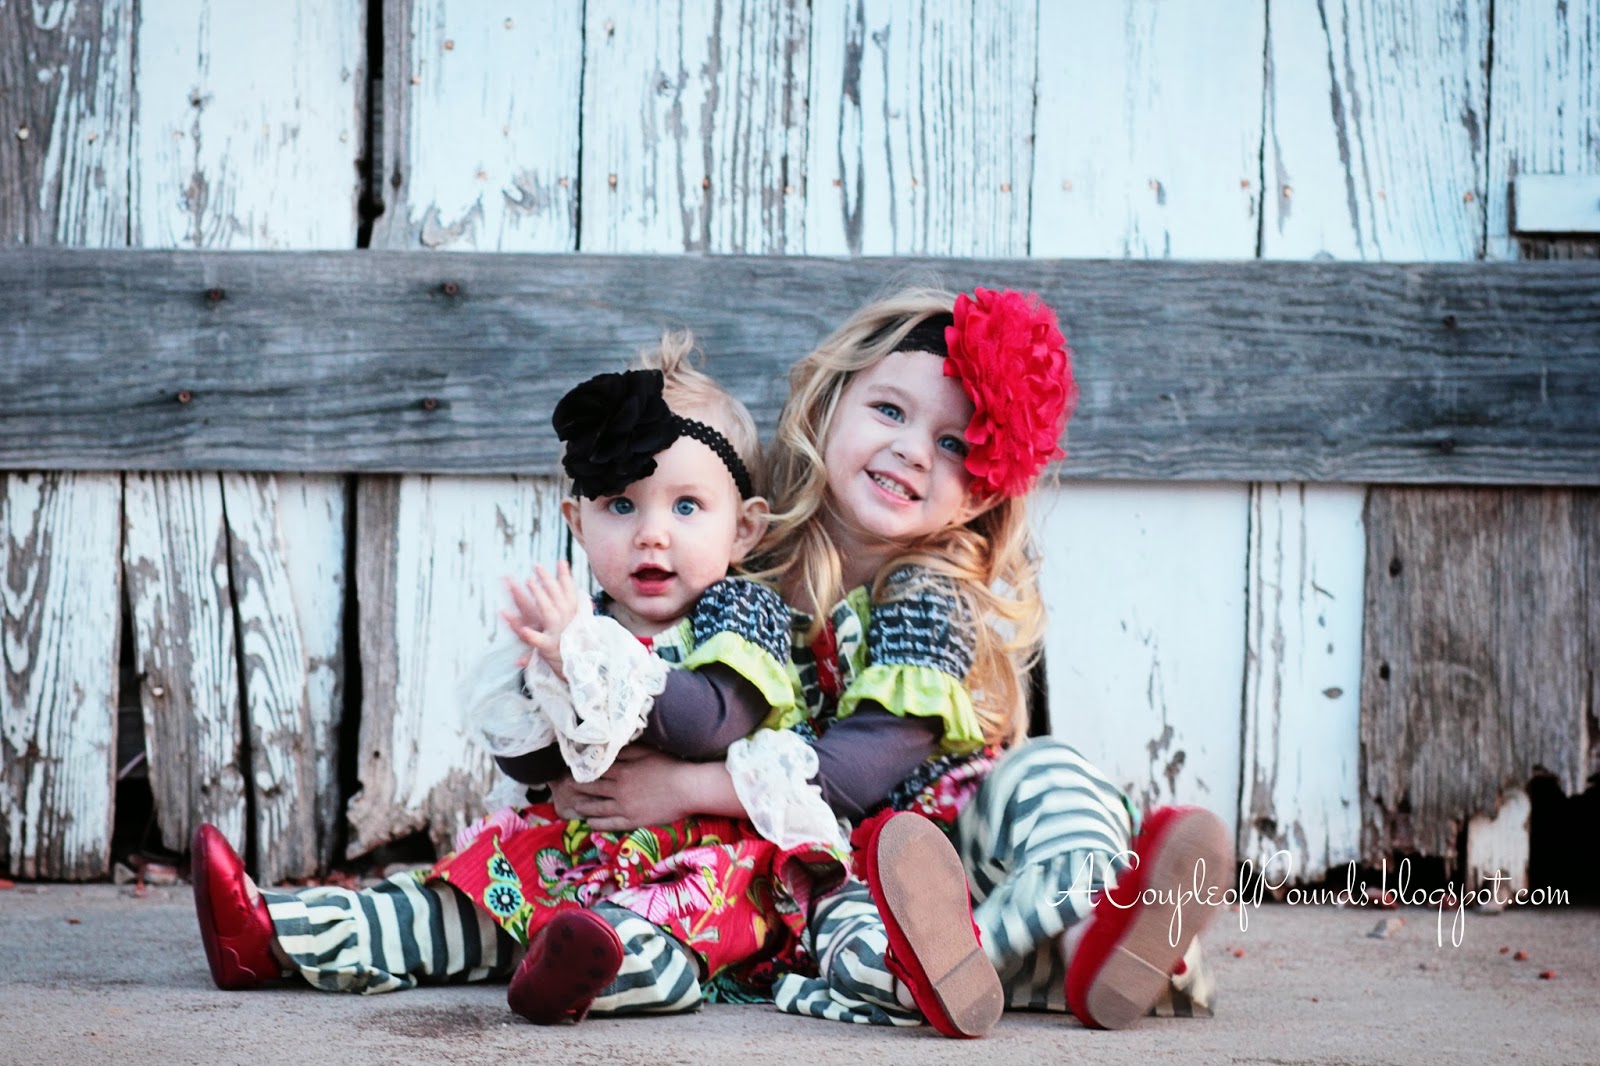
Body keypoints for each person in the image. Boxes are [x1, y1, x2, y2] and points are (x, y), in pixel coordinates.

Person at [552, 286, 1231, 1032]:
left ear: (979, 494)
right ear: (829, 403)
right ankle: (977, 965)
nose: (913, 449)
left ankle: (1093, 931)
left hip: (968, 844)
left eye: (953, 443)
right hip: (849, 870)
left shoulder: (931, 597)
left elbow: (854, 772)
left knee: (1050, 779)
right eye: (891, 411)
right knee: (835, 931)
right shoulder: (734, 556)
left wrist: (684, 788)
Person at [190, 334, 860, 1020]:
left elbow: (709, 719)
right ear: (578, 519)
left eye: (686, 507)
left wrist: (586, 665)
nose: (652, 534)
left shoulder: (742, 613)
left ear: (744, 530)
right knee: (458, 901)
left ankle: (576, 972)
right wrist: (545, 692)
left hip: (708, 864)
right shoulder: (583, 620)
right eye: (621, 506)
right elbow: (530, 759)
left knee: (656, 935)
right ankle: (272, 932)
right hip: (573, 853)